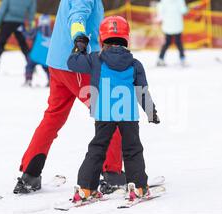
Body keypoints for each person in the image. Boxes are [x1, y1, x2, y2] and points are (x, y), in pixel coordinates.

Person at [13, 0, 124, 194]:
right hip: (77, 65)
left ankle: (30, 174)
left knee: (53, 116)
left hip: (57, 63)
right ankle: (113, 174)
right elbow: (77, 17)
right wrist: (79, 38)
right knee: (110, 112)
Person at [67, 16, 160, 202]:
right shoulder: (135, 64)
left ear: (102, 38)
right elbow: (142, 91)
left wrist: (79, 47)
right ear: (126, 38)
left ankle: (86, 188)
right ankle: (139, 186)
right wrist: (151, 112)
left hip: (104, 112)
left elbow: (72, 63)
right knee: (132, 149)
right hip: (128, 113)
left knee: (97, 148)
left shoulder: (95, 59)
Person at [0, 0, 36, 71]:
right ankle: (31, 66)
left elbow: (2, 10)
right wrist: (31, 26)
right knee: (24, 46)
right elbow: (31, 13)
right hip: (20, 24)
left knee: (0, 44)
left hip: (7, 23)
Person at [156, 0, 188, 67]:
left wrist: (159, 19)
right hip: (177, 25)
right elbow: (184, 11)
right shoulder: (180, 1)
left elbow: (160, 11)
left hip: (167, 26)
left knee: (167, 43)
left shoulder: (163, 1)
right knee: (178, 42)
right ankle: (182, 59)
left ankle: (160, 59)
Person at [23, 14, 52, 87]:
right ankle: (50, 81)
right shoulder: (52, 32)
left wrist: (23, 30)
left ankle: (28, 80)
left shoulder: (37, 30)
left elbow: (29, 36)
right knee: (47, 69)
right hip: (45, 57)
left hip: (35, 55)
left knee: (29, 66)